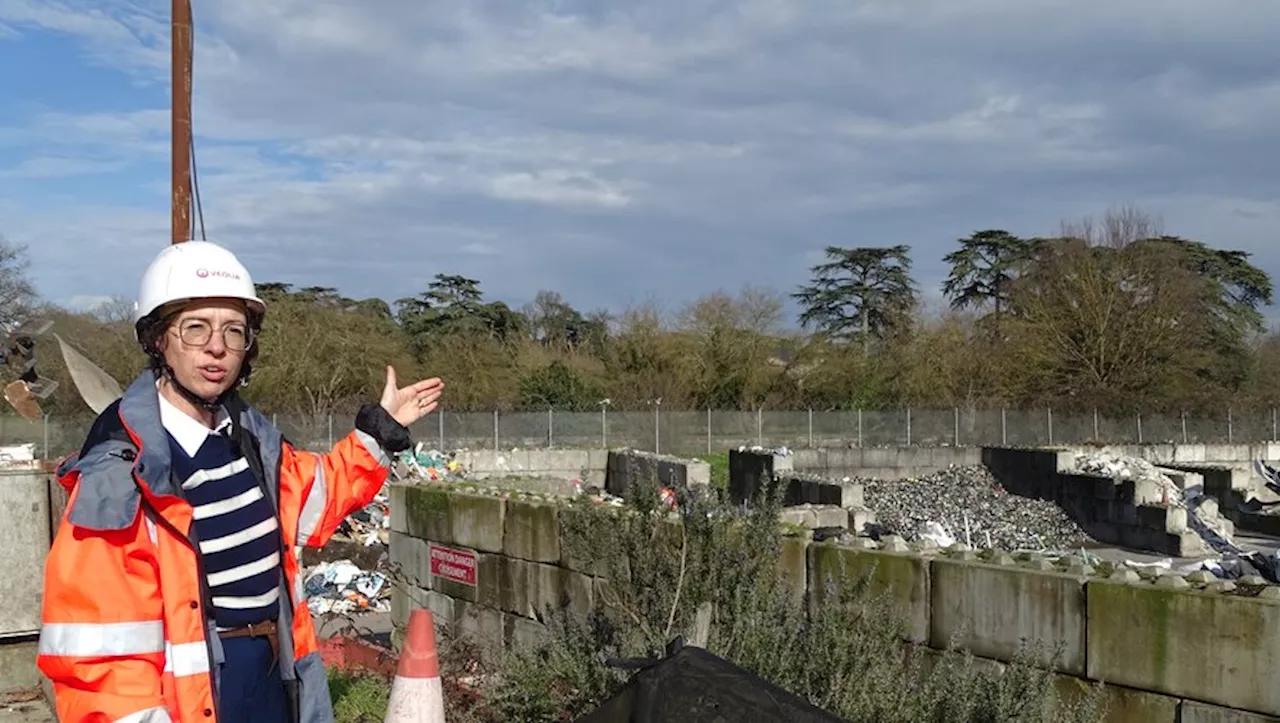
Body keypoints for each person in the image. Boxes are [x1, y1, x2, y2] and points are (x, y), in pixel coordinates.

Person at [36, 240, 444, 723]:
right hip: (197, 696)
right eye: (195, 329)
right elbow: (101, 658)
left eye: (234, 331)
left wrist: (377, 434)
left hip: (275, 677)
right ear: (157, 340)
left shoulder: (251, 444)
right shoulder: (118, 480)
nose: (217, 347)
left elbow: (315, 497)